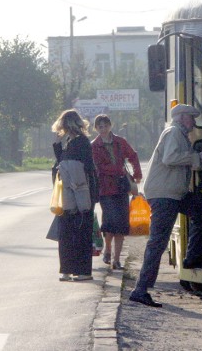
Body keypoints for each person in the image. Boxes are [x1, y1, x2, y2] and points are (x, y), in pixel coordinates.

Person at [129, 104, 202, 308]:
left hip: (173, 193)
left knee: (200, 213)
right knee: (158, 242)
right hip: (165, 195)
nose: (193, 122)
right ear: (180, 118)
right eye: (190, 117)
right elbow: (170, 158)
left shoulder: (178, 133)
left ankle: (192, 259)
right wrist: (196, 158)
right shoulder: (173, 132)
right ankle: (140, 289)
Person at [51, 109, 99, 282]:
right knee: (69, 233)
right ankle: (69, 270)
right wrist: (57, 146)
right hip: (72, 194)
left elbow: (72, 166)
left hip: (80, 194)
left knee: (77, 233)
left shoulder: (80, 142)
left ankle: (81, 271)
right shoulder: (74, 141)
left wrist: (58, 147)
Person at [91, 114, 143, 270]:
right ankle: (107, 248)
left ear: (110, 126)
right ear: (96, 128)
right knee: (109, 223)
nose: (103, 129)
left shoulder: (120, 142)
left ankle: (117, 259)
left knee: (121, 224)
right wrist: (116, 170)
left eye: (105, 126)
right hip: (105, 189)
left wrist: (137, 174)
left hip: (121, 188)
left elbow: (133, 156)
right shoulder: (94, 146)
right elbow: (98, 167)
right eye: (100, 126)